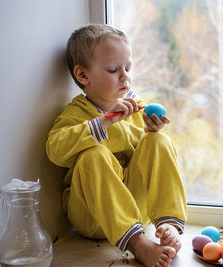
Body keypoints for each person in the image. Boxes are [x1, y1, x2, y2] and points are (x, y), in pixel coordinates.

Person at [46, 24, 187, 267]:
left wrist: (151, 132)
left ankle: (169, 224)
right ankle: (137, 244)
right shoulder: (76, 112)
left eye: (128, 68)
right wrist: (103, 123)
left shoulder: (136, 105)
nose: (125, 77)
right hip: (91, 215)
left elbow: (154, 156)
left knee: (158, 140)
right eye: (113, 70)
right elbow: (55, 151)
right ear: (83, 76)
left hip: (133, 210)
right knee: (93, 155)